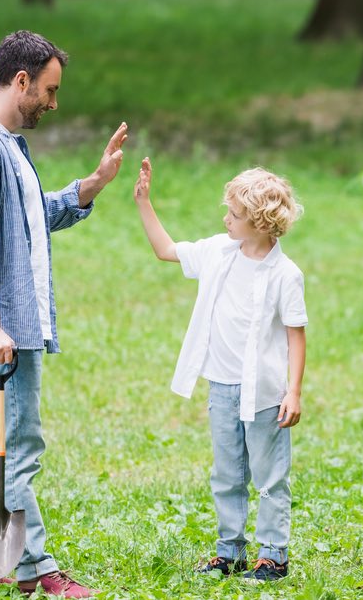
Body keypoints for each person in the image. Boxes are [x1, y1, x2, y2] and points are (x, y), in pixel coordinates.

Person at [0, 30, 128, 598]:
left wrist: (89, 188)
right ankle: (35, 569)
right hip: (0, 328)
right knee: (18, 446)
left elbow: (28, 216)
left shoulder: (6, 145)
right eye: (48, 89)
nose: (53, 103)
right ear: (21, 81)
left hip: (12, 323)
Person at [133, 157, 307, 582]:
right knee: (227, 475)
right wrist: (143, 202)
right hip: (223, 389)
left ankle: (273, 556)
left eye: (234, 213)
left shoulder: (286, 274)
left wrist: (294, 391)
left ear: (260, 222)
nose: (225, 218)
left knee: (269, 477)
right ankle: (229, 552)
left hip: (265, 395)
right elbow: (165, 250)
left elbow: (295, 334)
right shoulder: (217, 252)